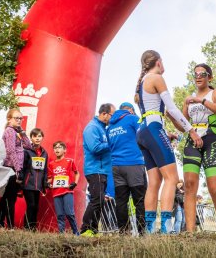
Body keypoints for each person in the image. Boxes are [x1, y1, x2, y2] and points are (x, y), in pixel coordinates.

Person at [134, 50, 203, 234]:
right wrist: (191, 130)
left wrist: (166, 133)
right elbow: (171, 108)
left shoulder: (141, 82)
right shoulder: (156, 77)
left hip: (143, 132)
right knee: (172, 178)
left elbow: (154, 112)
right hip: (152, 129)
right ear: (158, 62)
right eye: (162, 61)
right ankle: (165, 228)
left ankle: (149, 230)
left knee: (154, 182)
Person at [181, 63, 216, 232]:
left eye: (203, 73)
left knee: (215, 188)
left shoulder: (214, 93)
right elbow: (182, 125)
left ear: (210, 77)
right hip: (192, 139)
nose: (198, 76)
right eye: (195, 74)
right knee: (189, 185)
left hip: (212, 138)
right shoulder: (188, 98)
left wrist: (201, 100)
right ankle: (190, 232)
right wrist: (172, 117)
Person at [107, 102, 147, 235]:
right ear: (130, 110)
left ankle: (123, 232)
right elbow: (144, 135)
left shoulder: (110, 126)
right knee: (139, 200)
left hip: (116, 166)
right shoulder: (132, 118)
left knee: (121, 201)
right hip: (133, 163)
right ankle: (142, 232)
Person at [80, 103, 115, 237]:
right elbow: (95, 148)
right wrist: (112, 142)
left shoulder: (103, 128)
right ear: (104, 114)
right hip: (95, 169)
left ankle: (93, 230)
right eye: (112, 115)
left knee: (100, 201)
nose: (113, 118)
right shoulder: (92, 127)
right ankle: (85, 229)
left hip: (103, 170)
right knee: (96, 199)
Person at [0, 108, 31, 229]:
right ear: (9, 119)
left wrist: (22, 132)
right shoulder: (10, 131)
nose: (19, 120)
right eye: (16, 118)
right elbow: (11, 151)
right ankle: (9, 226)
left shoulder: (16, 131)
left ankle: (1, 224)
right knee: (10, 198)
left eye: (21, 118)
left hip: (14, 167)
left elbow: (28, 145)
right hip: (10, 167)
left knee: (6, 197)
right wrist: (18, 169)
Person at [47, 141, 79, 234]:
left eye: (59, 147)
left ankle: (76, 233)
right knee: (60, 215)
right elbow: (49, 178)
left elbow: (77, 173)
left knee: (70, 213)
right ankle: (62, 234)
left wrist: (75, 183)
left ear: (64, 150)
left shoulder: (70, 161)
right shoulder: (51, 164)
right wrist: (48, 184)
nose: (57, 149)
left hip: (67, 191)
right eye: (55, 147)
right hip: (56, 192)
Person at [20, 128, 48, 231]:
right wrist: (21, 181)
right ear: (31, 138)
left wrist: (45, 185)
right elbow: (23, 167)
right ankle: (27, 227)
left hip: (39, 185)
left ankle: (33, 227)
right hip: (28, 183)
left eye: (39, 136)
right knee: (31, 205)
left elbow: (45, 170)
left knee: (36, 207)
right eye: (35, 136)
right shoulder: (27, 151)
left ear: (42, 138)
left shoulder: (45, 153)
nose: (37, 138)